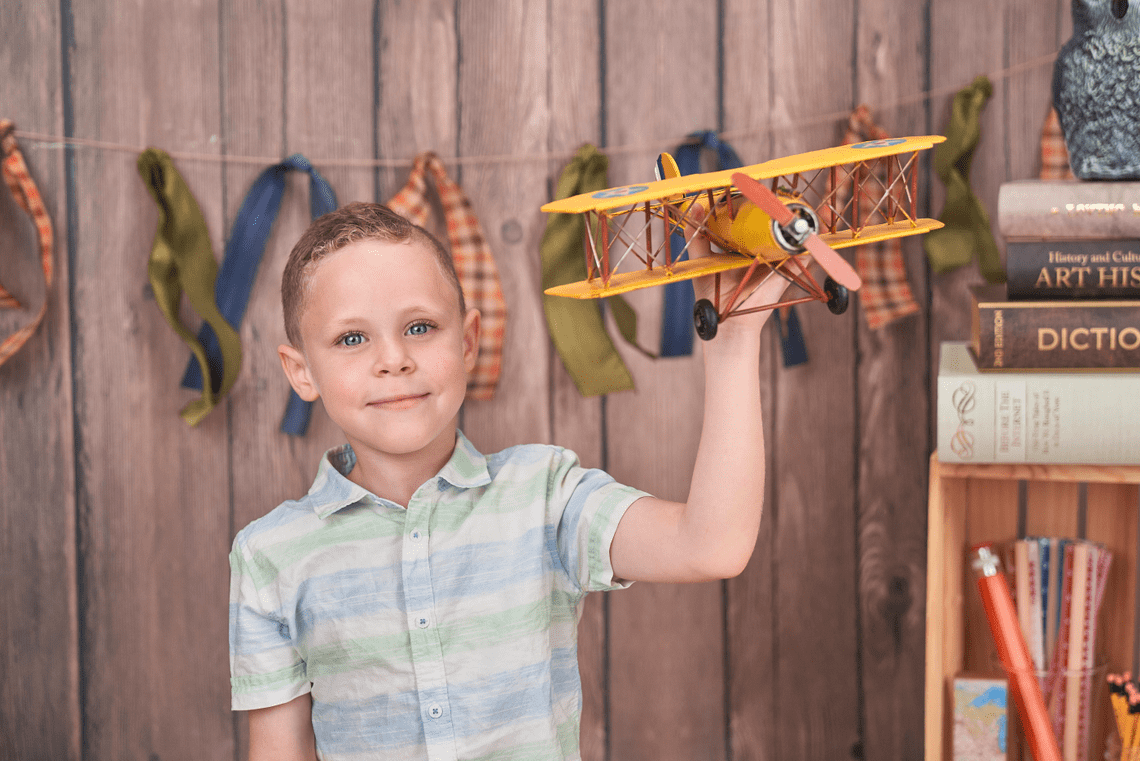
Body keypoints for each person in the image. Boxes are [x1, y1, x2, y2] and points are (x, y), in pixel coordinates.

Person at [229, 201, 787, 761]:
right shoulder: (269, 554)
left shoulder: (543, 495)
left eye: (420, 327)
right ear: (301, 371)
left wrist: (733, 345)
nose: (393, 359)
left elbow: (711, 546)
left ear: (468, 343)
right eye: (352, 339)